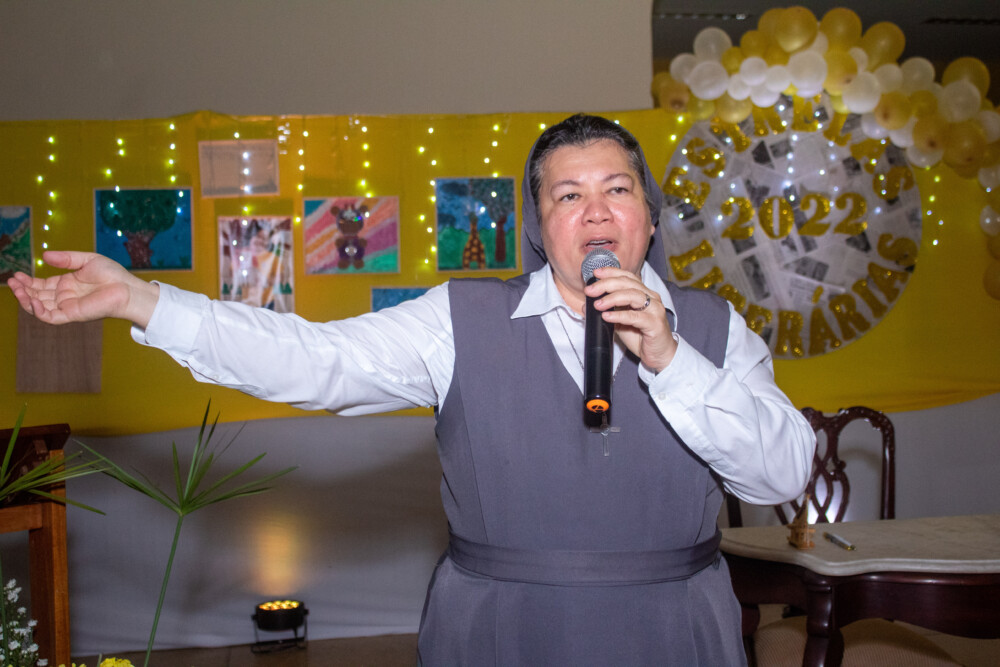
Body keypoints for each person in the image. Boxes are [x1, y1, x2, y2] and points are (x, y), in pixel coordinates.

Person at [9, 114, 815, 665]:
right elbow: (313, 360)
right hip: (499, 630)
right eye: (568, 195)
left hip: (673, 630)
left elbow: (782, 475)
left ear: (648, 217)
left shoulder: (714, 329)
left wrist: (670, 357)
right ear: (541, 227)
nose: (595, 211)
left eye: (617, 189)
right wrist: (146, 300)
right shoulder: (458, 320)